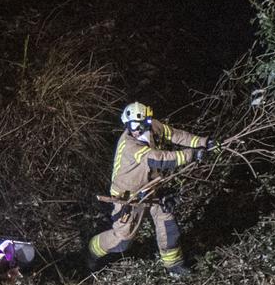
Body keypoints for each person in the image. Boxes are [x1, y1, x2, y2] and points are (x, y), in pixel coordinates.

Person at [88, 101, 208, 275]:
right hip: (128, 197)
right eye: (135, 126)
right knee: (122, 240)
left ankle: (174, 265)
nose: (139, 130)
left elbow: (174, 135)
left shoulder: (152, 127)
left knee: (167, 223)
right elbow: (158, 159)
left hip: (151, 188)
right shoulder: (130, 145)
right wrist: (192, 155)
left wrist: (203, 143)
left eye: (143, 124)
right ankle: (92, 250)